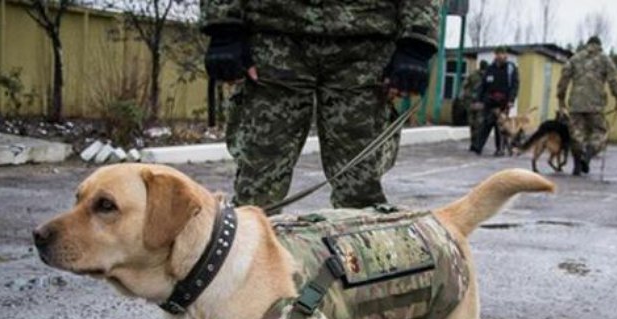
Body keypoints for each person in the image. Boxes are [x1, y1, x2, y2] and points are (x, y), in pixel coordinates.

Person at [200, 1, 440, 210]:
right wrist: (224, 27)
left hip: (365, 45)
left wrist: (416, 42)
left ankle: (361, 259)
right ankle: (249, 259)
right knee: (256, 187)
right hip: (273, 39)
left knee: (361, 190)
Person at [557, 36, 617, 176]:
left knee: (576, 135)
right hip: (596, 106)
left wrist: (561, 99)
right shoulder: (605, 59)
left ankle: (577, 167)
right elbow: (614, 80)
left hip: (576, 104)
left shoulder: (575, 59)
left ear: (587, 44)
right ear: (599, 45)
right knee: (599, 133)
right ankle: (587, 156)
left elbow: (564, 79)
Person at [474, 46, 519, 156]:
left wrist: (511, 99)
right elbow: (483, 85)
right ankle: (478, 147)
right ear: (495, 55)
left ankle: (500, 149)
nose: (501, 56)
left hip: (503, 102)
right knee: (485, 124)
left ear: (506, 55)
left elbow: (515, 85)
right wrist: (478, 100)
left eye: (503, 53)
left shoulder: (511, 69)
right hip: (489, 101)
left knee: (500, 127)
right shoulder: (490, 68)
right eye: (498, 53)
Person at [464, 60, 488, 152]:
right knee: (472, 124)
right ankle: (473, 143)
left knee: (479, 124)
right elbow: (465, 86)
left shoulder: (487, 77)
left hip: (480, 103)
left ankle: (476, 144)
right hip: (471, 102)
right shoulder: (473, 75)